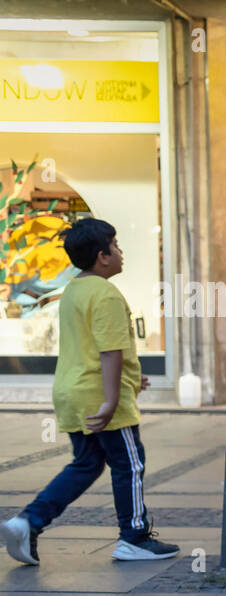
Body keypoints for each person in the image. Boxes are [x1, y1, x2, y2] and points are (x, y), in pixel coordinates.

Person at [1, 218, 179, 565]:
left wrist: (129, 379)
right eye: (115, 246)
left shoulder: (74, 290)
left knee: (86, 464)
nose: (121, 252)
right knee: (129, 464)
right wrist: (113, 399)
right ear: (102, 256)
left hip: (73, 392)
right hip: (99, 397)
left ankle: (28, 522)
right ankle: (135, 537)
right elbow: (109, 350)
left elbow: (92, 347)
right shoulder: (106, 294)